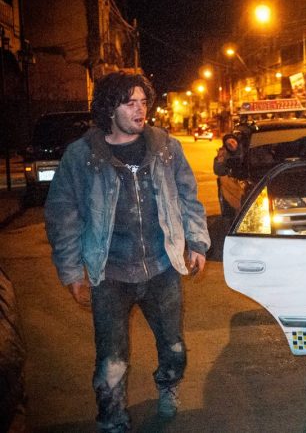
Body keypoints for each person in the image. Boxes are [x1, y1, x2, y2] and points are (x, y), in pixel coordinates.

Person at [45, 71, 211, 432]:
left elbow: (188, 197)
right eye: (130, 103)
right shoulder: (82, 156)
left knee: (174, 349)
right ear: (109, 108)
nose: (140, 111)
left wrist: (196, 242)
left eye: (143, 102)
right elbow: (63, 214)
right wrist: (72, 270)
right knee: (111, 360)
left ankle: (168, 385)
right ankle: (113, 420)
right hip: (110, 274)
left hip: (162, 267)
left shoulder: (166, 146)